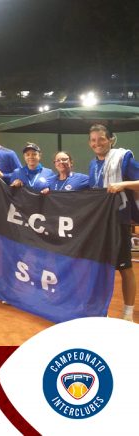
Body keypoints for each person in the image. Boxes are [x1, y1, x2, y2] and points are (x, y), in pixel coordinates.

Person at [88, 123, 139, 322]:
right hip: (100, 225)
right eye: (93, 140)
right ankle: (102, 312)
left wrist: (123, 184)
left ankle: (128, 314)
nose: (97, 143)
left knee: (125, 268)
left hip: (119, 222)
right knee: (101, 268)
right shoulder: (92, 165)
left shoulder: (123, 159)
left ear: (111, 139)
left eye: (101, 139)